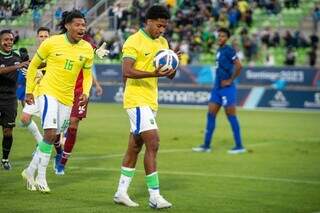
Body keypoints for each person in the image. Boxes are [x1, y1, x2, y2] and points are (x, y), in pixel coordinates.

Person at [21, 10, 94, 193]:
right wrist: (30, 91)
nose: (81, 28)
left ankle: (29, 171)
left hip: (67, 98)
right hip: (48, 92)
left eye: (83, 25)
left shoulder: (87, 48)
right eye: (77, 24)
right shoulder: (51, 43)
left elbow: (87, 76)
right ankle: (41, 177)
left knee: (54, 137)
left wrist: (85, 92)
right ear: (68, 25)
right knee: (50, 132)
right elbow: (33, 66)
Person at [113, 5, 176, 209]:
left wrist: (173, 65)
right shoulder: (134, 41)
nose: (161, 30)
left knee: (134, 147)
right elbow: (127, 70)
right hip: (136, 99)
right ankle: (154, 196)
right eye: (159, 25)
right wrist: (155, 73)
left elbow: (168, 74)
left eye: (164, 27)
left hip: (150, 100)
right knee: (153, 141)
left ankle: (121, 192)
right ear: (148, 22)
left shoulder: (163, 42)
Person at [192, 28, 245, 154]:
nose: (220, 38)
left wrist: (230, 80)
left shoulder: (229, 50)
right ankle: (206, 145)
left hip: (227, 89)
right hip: (217, 88)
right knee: (210, 114)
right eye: (219, 36)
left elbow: (239, 66)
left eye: (223, 36)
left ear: (227, 38)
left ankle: (239, 146)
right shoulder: (219, 50)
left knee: (231, 116)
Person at [0, 30, 29, 170]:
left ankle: (5, 158)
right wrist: (18, 66)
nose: (9, 42)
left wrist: (47, 63)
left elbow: (31, 63)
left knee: (8, 131)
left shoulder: (18, 54)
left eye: (11, 39)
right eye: (6, 39)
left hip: (10, 98)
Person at [19, 27, 50, 145]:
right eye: (41, 36)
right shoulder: (37, 53)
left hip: (49, 92)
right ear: (37, 38)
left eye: (45, 36)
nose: (43, 38)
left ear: (49, 37)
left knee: (49, 124)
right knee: (24, 118)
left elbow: (48, 68)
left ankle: (58, 147)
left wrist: (35, 69)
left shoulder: (52, 52)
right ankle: (40, 142)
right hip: (36, 91)